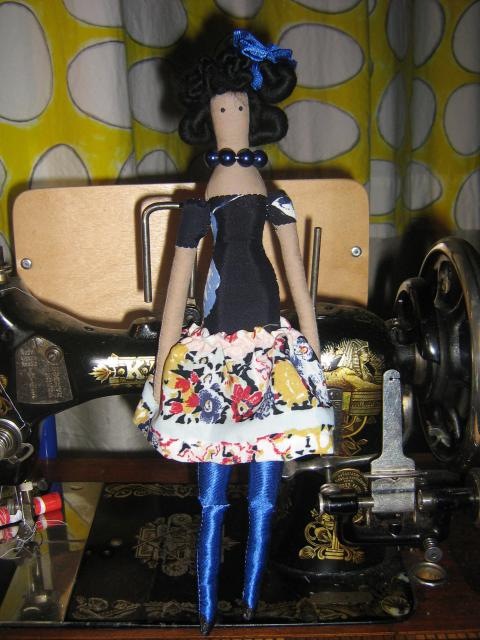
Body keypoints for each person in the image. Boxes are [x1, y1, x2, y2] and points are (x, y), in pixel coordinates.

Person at [134, 29, 335, 634]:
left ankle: (248, 602)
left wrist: (311, 349)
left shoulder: (271, 200)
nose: (232, 116)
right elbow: (176, 291)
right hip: (214, 355)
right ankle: (206, 607)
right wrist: (166, 363)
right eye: (224, 109)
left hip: (269, 349)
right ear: (210, 117)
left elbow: (297, 280)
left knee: (265, 496)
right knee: (212, 496)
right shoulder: (203, 205)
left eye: (239, 107)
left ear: (252, 112)